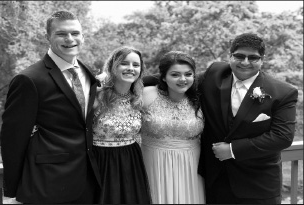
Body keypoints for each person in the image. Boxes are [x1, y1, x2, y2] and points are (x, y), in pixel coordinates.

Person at [0, 11, 101, 203]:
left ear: (83, 36)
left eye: (75, 33)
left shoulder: (87, 73)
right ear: (47, 37)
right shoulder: (29, 79)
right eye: (61, 34)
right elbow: (12, 138)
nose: (70, 39)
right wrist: (12, 191)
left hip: (89, 181)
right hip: (48, 182)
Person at [197, 33, 298, 204]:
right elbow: (176, 79)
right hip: (215, 182)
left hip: (258, 185)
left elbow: (282, 137)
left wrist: (232, 150)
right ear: (230, 56)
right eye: (239, 56)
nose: (245, 62)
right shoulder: (214, 74)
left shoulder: (283, 92)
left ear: (262, 59)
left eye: (253, 57)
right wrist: (135, 82)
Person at [141, 51, 206, 204]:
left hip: (191, 165)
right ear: (163, 77)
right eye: (175, 74)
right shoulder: (145, 94)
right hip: (153, 162)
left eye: (188, 74)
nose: (183, 79)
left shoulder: (201, 98)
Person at [92, 46, 152, 204]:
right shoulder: (97, 96)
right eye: (124, 63)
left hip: (130, 161)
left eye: (136, 65)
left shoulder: (138, 98)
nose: (131, 68)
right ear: (113, 66)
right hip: (100, 161)